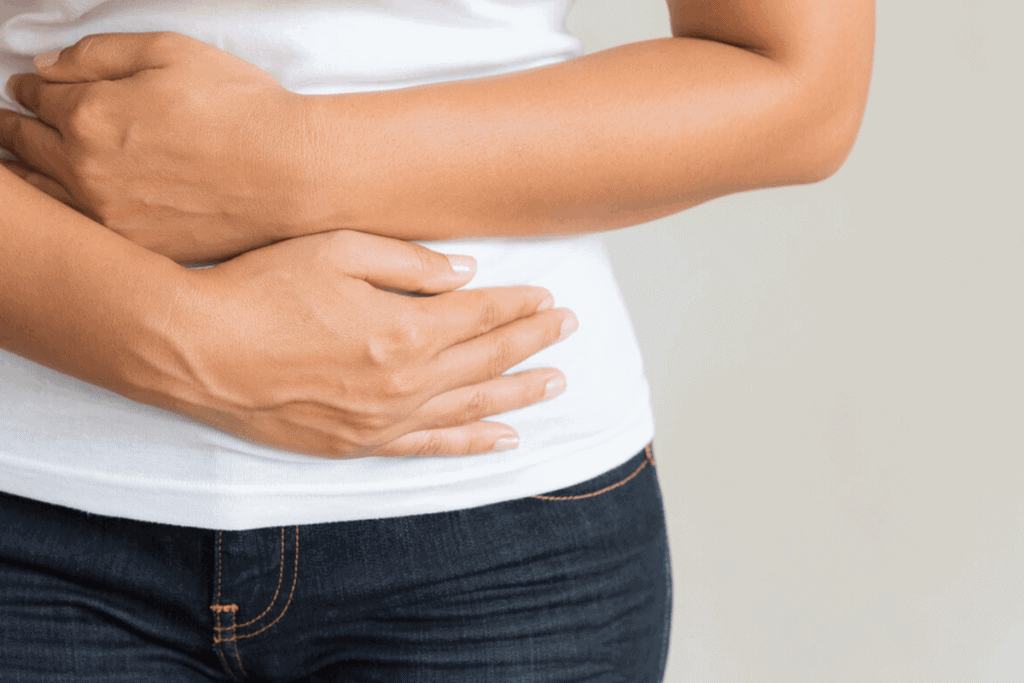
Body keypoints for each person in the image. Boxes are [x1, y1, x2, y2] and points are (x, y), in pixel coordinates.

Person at [0, 0, 874, 680]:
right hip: (35, 520)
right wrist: (190, 338)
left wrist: (290, 160)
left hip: (505, 544)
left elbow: (798, 87)